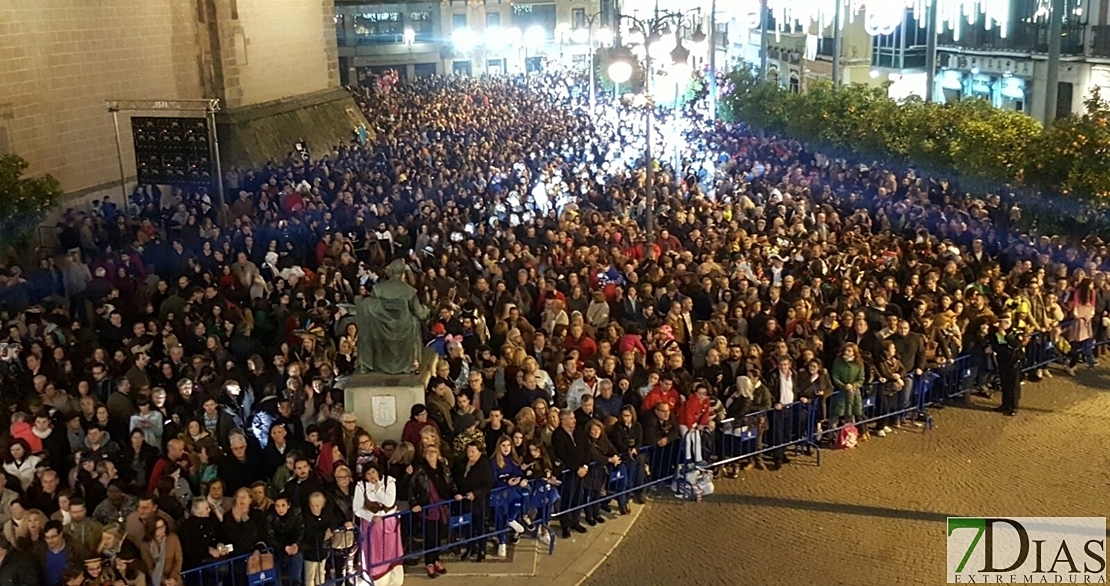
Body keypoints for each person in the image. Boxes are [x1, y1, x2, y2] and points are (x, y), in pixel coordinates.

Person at [409, 444, 458, 578]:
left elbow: (451, 483)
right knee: (429, 536)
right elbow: (411, 487)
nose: (431, 454)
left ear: (438, 454)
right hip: (428, 507)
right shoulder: (420, 470)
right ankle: (429, 562)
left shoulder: (443, 468)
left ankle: (436, 559)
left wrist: (455, 493)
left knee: (438, 536)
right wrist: (414, 503)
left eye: (433, 451)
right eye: (428, 452)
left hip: (442, 507)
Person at [352, 463, 403, 584]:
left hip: (389, 523)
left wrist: (378, 488)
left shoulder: (389, 482)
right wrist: (371, 517)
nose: (371, 476)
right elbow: (357, 508)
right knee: (374, 553)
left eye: (373, 472)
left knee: (391, 551)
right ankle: (377, 580)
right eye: (368, 473)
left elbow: (389, 502)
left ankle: (394, 580)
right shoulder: (361, 486)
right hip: (371, 526)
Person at [139, 516, 182, 586]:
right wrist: (163, 580)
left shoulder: (173, 538)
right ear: (152, 529)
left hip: (174, 579)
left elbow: (178, 560)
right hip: (157, 580)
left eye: (163, 526)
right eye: (159, 528)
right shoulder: (145, 544)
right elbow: (149, 567)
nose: (163, 529)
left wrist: (172, 578)